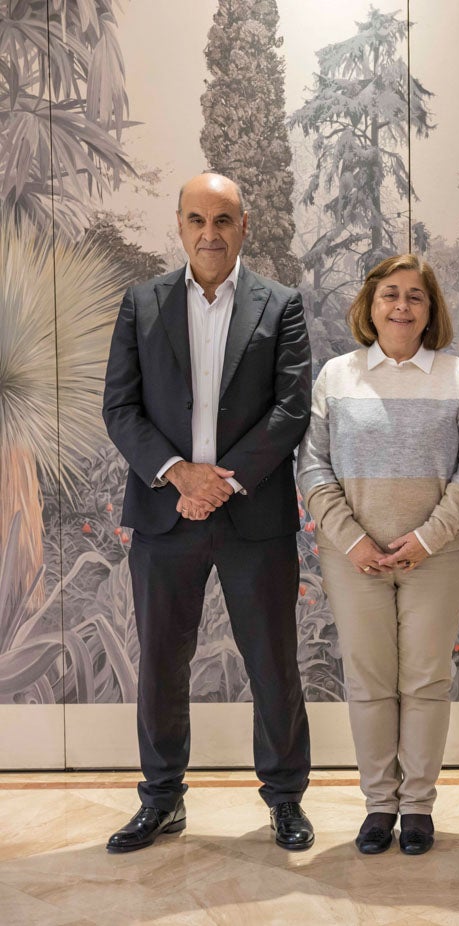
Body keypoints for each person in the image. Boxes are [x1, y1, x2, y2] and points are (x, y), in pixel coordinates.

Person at [101, 173, 313, 852]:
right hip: (167, 515)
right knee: (162, 661)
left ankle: (284, 801)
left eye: (223, 221)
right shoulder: (142, 304)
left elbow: (291, 408)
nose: (210, 234)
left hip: (254, 517)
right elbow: (120, 408)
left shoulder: (280, 306)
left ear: (243, 226)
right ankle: (161, 799)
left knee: (273, 663)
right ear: (180, 225)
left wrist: (220, 481)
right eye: (197, 220)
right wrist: (177, 475)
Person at [296, 254, 459, 856]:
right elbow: (312, 464)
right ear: (370, 306)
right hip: (353, 558)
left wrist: (428, 537)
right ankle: (380, 803)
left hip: (437, 555)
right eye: (389, 295)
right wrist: (351, 538)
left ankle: (418, 808)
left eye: (415, 296)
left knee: (428, 680)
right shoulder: (336, 375)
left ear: (431, 310)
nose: (401, 306)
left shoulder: (458, 377)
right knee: (370, 681)